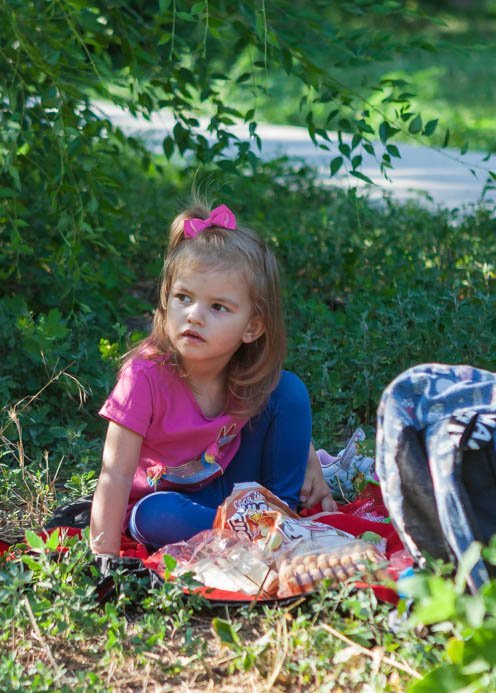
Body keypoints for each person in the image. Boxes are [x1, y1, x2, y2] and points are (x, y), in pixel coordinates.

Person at [89, 201, 334, 559]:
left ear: (252, 327)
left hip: (231, 483)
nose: (195, 316)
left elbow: (283, 409)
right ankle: (263, 536)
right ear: (165, 300)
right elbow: (115, 474)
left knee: (288, 389)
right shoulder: (143, 377)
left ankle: (281, 515)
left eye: (218, 307)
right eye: (183, 298)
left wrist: (310, 460)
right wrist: (104, 557)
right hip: (166, 501)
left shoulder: (243, 369)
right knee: (157, 517)